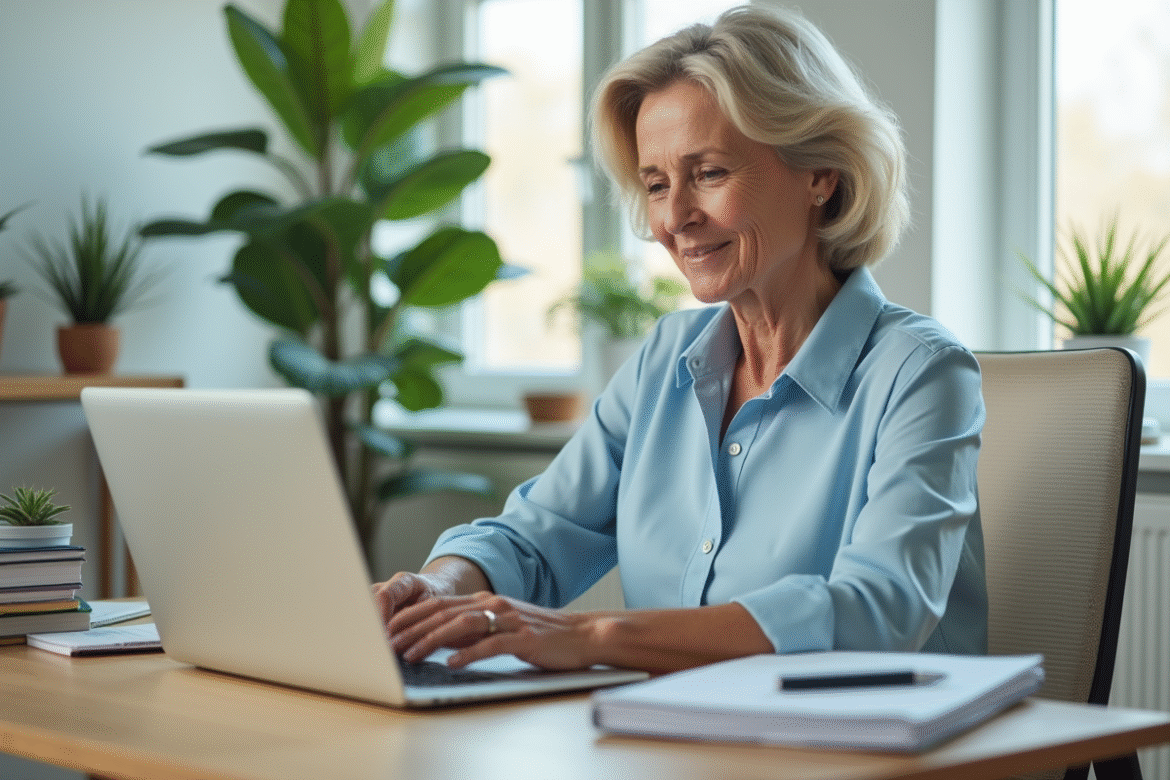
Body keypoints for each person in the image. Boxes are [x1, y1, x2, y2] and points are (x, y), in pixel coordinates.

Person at [372, 4, 986, 675]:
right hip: (675, 740)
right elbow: (535, 539)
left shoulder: (922, 374)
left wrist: (596, 636)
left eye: (710, 173)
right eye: (656, 184)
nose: (674, 219)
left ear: (821, 174)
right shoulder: (666, 361)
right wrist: (439, 588)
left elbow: (877, 610)